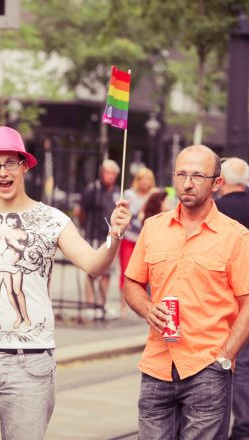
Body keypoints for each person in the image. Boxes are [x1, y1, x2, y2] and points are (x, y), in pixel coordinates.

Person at [0, 126, 132, 440]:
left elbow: (94, 265)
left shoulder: (53, 220)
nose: (3, 171)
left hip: (29, 362)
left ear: (25, 165)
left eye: (10, 163)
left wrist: (114, 235)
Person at [124, 145, 249, 439]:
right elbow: (132, 284)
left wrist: (225, 358)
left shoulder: (236, 237)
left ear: (217, 183)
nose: (187, 183)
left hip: (207, 368)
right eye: (181, 174)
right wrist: (146, 307)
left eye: (197, 176)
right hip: (157, 365)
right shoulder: (153, 228)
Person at [216, 157, 249, 440]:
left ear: (221, 181)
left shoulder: (215, 210)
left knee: (233, 364)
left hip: (228, 301)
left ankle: (241, 428)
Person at [74, 159, 120, 319]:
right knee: (91, 270)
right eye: (108, 172)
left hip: (108, 237)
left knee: (107, 272)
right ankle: (89, 303)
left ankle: (101, 304)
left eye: (114, 173)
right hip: (93, 235)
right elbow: (79, 210)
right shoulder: (92, 189)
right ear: (102, 173)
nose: (110, 176)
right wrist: (85, 226)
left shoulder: (117, 192)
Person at [119, 167, 155, 317]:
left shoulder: (155, 194)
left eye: (148, 179)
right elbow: (129, 213)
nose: (145, 182)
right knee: (127, 271)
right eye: (142, 179)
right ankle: (123, 304)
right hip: (130, 238)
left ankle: (146, 305)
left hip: (148, 239)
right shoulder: (129, 194)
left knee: (150, 273)